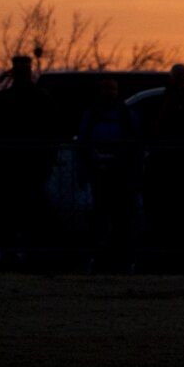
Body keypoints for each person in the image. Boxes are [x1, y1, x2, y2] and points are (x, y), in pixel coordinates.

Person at [0, 54, 60, 258]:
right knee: (19, 211)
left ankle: (18, 253)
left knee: (18, 211)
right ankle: (27, 254)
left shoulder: (12, 98)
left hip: (20, 164)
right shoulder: (37, 97)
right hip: (20, 164)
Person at [137, 64, 184, 268]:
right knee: (161, 214)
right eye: (178, 77)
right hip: (162, 168)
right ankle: (160, 259)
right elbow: (150, 130)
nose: (182, 81)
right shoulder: (161, 101)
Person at [76, 77, 142, 271]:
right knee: (100, 216)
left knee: (122, 218)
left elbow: (136, 144)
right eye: (105, 89)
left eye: (112, 89)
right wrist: (88, 164)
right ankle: (99, 258)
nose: (109, 92)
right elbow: (82, 141)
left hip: (122, 176)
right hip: (99, 175)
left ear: (118, 92)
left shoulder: (128, 115)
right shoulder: (91, 115)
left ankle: (121, 258)